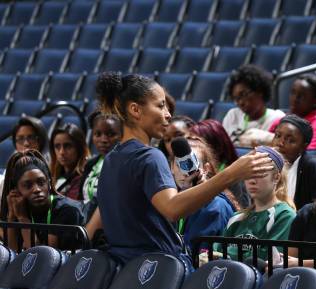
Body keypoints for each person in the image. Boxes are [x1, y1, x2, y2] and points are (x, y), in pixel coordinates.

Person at [86, 72, 274, 267]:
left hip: (124, 270)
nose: (168, 114)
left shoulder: (110, 159)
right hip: (159, 271)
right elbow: (173, 209)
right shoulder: (150, 156)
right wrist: (232, 174)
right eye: (160, 106)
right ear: (135, 110)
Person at [217, 146, 295, 262]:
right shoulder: (236, 217)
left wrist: (227, 255)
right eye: (249, 174)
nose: (252, 181)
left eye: (260, 173)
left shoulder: (284, 215)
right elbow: (216, 252)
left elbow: (268, 259)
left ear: (276, 177)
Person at [0, 150, 84, 250]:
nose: (37, 189)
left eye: (41, 182)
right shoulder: (22, 208)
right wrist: (12, 216)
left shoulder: (67, 210)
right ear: (16, 190)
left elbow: (43, 259)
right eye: (28, 185)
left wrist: (23, 219)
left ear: (49, 182)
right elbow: (12, 254)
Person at [171, 134, 235, 255]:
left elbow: (201, 257)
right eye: (179, 165)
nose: (186, 173)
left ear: (205, 169)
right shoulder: (169, 203)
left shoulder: (216, 206)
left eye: (191, 163)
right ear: (171, 168)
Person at [189, 120, 250, 209]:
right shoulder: (191, 172)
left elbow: (242, 211)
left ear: (216, 146)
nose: (191, 147)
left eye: (197, 143)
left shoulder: (236, 176)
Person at [222, 64, 285, 145]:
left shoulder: (277, 118)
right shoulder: (232, 116)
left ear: (259, 91)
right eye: (236, 98)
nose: (240, 102)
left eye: (244, 94)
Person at [272, 115, 316, 210]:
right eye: (278, 136)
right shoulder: (266, 162)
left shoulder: (313, 166)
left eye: (290, 140)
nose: (280, 143)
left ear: (304, 146)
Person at [78, 112, 121, 220]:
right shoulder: (90, 163)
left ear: (122, 135)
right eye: (98, 134)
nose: (103, 140)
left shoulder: (125, 163)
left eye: (111, 134)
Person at [270, 74, 316, 150]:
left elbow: (309, 151)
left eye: (301, 96)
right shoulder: (286, 118)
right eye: (293, 93)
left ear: (315, 101)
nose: (294, 99)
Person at [50, 123, 89, 201]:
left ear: (79, 148)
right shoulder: (51, 176)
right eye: (57, 146)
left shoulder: (87, 177)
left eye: (67, 146)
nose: (61, 152)